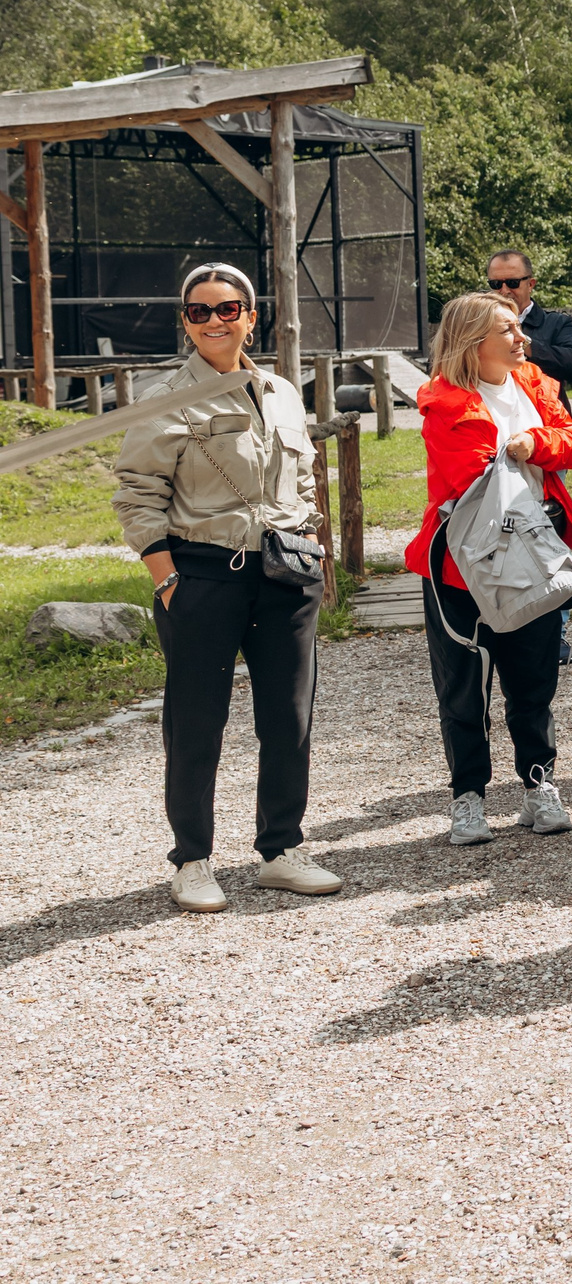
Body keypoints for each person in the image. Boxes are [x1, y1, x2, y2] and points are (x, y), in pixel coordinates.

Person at [114, 263, 342, 913]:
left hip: (284, 578)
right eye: (199, 311)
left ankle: (281, 850)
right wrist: (167, 582)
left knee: (288, 718)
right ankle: (191, 859)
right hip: (203, 576)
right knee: (196, 724)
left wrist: (308, 544)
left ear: (251, 314)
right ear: (184, 323)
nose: (215, 320)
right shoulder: (167, 398)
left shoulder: (281, 391)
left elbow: (302, 479)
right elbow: (137, 494)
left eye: (228, 308)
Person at [407, 292, 572, 847]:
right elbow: (470, 477)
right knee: (463, 686)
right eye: (509, 330)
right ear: (474, 342)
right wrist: (513, 450)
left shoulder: (536, 383)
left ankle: (539, 784)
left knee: (533, 678)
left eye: (519, 328)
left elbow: (570, 444)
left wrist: (530, 442)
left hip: (534, 554)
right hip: (463, 566)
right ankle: (468, 798)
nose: (523, 338)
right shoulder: (442, 400)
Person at [484, 250, 572, 389]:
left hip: (541, 408)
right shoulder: (479, 324)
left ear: (531, 284)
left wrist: (525, 343)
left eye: (512, 283)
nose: (504, 290)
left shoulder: (557, 323)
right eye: (496, 284)